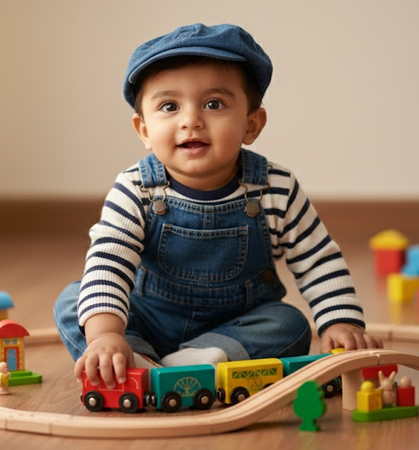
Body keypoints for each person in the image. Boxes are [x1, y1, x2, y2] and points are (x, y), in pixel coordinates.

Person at [54, 23, 383, 389]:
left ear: (251, 124)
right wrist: (105, 334)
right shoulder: (135, 188)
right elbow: (109, 259)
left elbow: (317, 259)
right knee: (75, 300)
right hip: (147, 316)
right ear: (144, 130)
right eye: (169, 106)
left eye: (214, 104)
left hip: (236, 325)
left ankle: (202, 359)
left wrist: (341, 322)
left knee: (288, 324)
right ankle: (133, 357)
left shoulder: (276, 187)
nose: (190, 119)